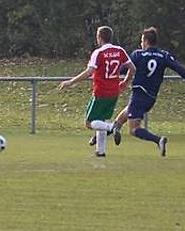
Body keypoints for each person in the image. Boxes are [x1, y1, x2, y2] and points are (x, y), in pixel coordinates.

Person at [109, 27, 185, 157]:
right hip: (151, 97)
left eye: (141, 41)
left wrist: (107, 73)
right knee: (124, 115)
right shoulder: (164, 55)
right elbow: (178, 68)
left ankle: (158, 140)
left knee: (134, 129)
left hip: (139, 94)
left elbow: (122, 69)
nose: (141, 43)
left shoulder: (138, 55)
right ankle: (104, 133)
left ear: (146, 41)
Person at [58, 26, 135, 157]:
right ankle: (101, 151)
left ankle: (112, 127)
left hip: (101, 93)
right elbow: (132, 68)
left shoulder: (99, 53)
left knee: (89, 123)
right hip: (114, 92)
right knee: (101, 120)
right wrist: (125, 83)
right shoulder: (119, 51)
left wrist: (71, 82)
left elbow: (89, 71)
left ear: (99, 38)